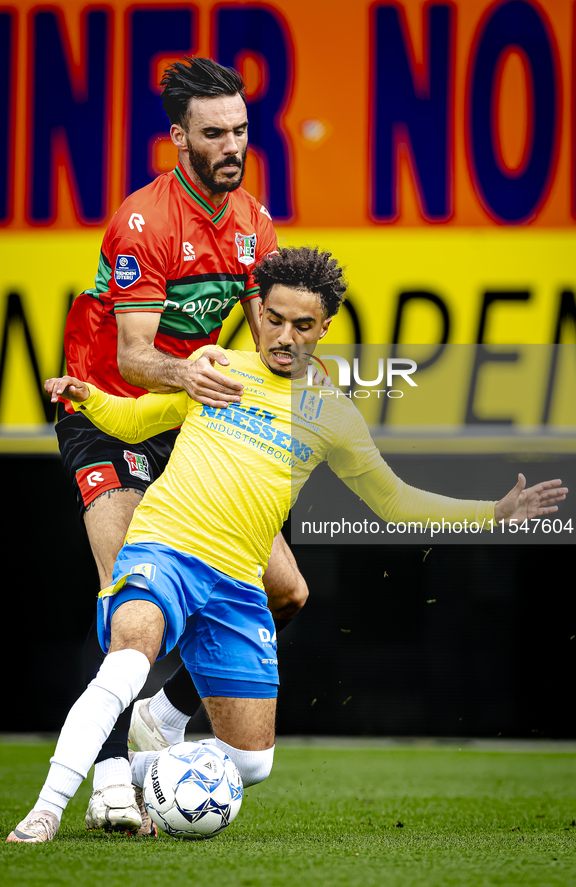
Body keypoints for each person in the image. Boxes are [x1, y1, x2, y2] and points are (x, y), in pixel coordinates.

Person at [8, 246, 568, 843]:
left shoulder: (333, 415)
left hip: (236, 583)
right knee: (126, 660)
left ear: (324, 328)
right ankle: (45, 809)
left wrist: (494, 512)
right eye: (273, 318)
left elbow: (395, 501)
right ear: (260, 312)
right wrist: (88, 398)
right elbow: (138, 420)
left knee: (252, 764)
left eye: (303, 325)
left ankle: (148, 767)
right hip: (164, 548)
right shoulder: (219, 365)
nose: (284, 336)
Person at [55, 56, 308, 830]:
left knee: (287, 589)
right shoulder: (144, 220)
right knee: (127, 602)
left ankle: (163, 711)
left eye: (239, 129)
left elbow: (262, 328)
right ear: (179, 139)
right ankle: (106, 787)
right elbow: (133, 356)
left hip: (184, 415)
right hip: (109, 411)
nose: (232, 144)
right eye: (214, 133)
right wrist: (193, 378)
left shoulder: (255, 224)